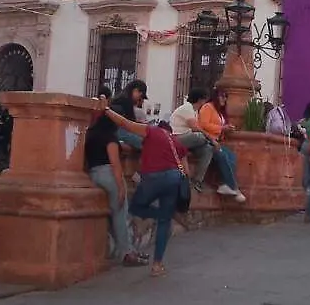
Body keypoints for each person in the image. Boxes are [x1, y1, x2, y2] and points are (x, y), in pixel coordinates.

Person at [99, 97, 190, 278]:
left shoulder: (151, 131)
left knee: (135, 207)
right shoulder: (177, 143)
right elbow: (186, 171)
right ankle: (157, 266)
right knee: (165, 223)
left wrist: (106, 110)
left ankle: (161, 214)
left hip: (153, 177)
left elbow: (125, 124)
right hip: (173, 178)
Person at [85, 110, 145, 267]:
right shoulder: (109, 138)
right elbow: (115, 163)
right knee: (121, 214)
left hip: (93, 173)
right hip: (108, 174)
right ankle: (127, 252)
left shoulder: (89, 135)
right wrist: (121, 186)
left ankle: (120, 249)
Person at [196, 89, 247, 201]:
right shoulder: (207, 107)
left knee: (231, 157)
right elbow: (203, 125)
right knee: (223, 156)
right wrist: (222, 128)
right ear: (216, 97)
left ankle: (226, 184)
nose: (224, 99)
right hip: (207, 140)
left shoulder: (219, 112)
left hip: (217, 141)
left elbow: (218, 127)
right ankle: (234, 188)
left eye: (226, 97)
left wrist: (226, 129)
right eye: (222, 96)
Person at [169, 88, 216, 191]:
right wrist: (210, 138)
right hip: (177, 138)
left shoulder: (195, 111)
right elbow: (195, 128)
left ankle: (198, 180)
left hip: (188, 138)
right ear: (200, 100)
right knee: (201, 137)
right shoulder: (187, 108)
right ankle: (211, 142)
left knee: (208, 149)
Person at [110, 80, 148, 150]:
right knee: (145, 143)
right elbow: (130, 124)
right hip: (117, 131)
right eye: (141, 96)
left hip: (116, 130)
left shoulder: (122, 98)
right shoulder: (126, 101)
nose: (139, 99)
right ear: (136, 90)